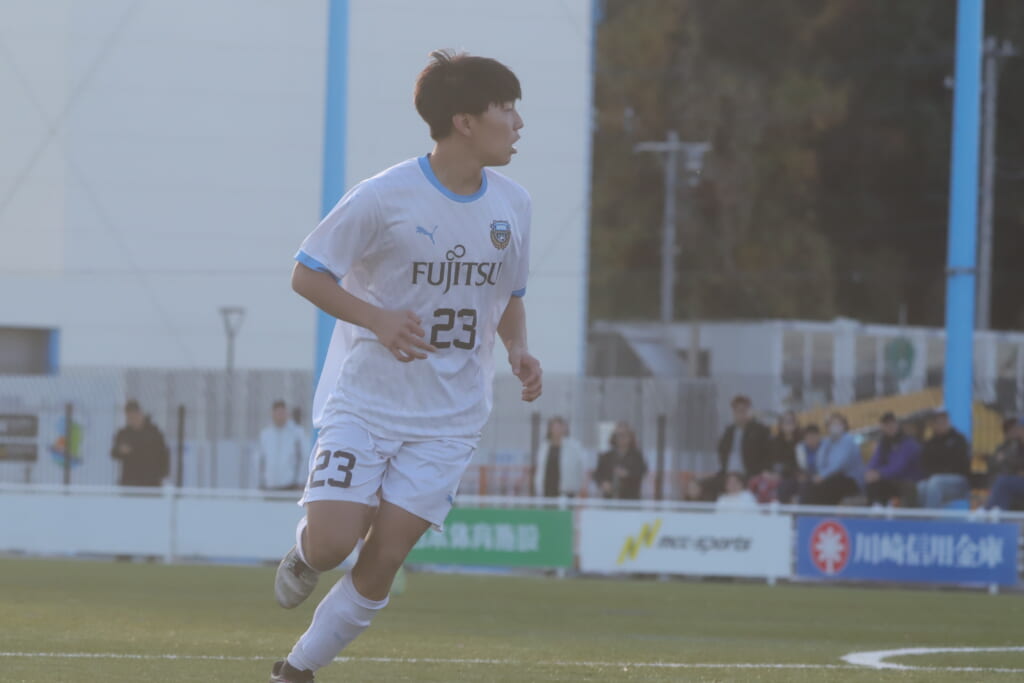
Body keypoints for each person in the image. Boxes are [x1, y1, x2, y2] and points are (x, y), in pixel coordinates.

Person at [268, 50, 541, 683]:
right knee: (334, 544)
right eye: (506, 108)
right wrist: (377, 319)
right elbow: (307, 274)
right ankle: (306, 553)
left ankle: (297, 669)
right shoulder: (383, 197)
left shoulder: (514, 204)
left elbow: (509, 296)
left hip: (450, 418)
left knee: (385, 556)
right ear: (464, 121)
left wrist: (518, 349)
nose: (518, 123)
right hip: (366, 403)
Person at [706, 395, 771, 499]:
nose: (740, 414)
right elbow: (721, 451)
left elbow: (767, 452)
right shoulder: (729, 431)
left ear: (749, 411)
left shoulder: (759, 430)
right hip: (727, 474)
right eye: (737, 411)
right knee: (702, 485)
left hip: (748, 474)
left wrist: (765, 470)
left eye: (743, 410)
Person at [802, 413, 864, 505]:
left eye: (838, 424)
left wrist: (822, 476)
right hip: (832, 478)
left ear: (844, 425)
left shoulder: (848, 440)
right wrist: (818, 476)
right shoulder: (828, 442)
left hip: (850, 480)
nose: (834, 427)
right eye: (832, 424)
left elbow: (839, 464)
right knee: (808, 485)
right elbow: (821, 462)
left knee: (827, 487)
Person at [864, 412, 922, 506]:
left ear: (897, 424)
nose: (890, 427)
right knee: (873, 483)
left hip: (908, 479)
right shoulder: (884, 444)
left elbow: (899, 466)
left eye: (892, 424)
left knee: (880, 483)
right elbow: (875, 461)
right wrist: (870, 472)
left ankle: (881, 506)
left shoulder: (908, 443)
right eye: (886, 425)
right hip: (891, 480)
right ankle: (876, 507)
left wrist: (879, 473)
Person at [916, 409, 970, 509]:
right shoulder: (930, 444)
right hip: (935, 479)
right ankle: (920, 516)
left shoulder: (958, 440)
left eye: (944, 421)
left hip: (958, 481)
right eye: (939, 421)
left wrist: (941, 471)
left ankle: (930, 516)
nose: (942, 424)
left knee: (935, 482)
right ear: (934, 425)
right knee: (921, 486)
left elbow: (961, 464)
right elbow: (925, 465)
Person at [110, 399, 170, 487]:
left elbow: (164, 454)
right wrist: (120, 450)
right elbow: (114, 452)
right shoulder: (124, 434)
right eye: (129, 418)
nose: (131, 420)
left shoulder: (154, 433)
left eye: (133, 417)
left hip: (151, 482)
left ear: (140, 414)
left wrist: (162, 475)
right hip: (130, 481)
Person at [259, 400, 309, 491]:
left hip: (290, 486)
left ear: (287, 414)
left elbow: (304, 457)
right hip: (269, 487)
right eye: (277, 413)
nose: (280, 416)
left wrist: (300, 481)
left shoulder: (296, 433)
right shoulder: (265, 435)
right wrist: (261, 481)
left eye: (282, 413)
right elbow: (261, 460)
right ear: (272, 414)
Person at [533, 416, 586, 497]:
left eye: (559, 427)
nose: (557, 430)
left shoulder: (574, 446)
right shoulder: (544, 446)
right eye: (554, 427)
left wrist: (582, 486)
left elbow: (582, 467)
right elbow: (539, 468)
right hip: (547, 490)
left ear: (564, 428)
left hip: (567, 491)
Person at [593, 421, 647, 500]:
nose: (622, 438)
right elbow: (597, 474)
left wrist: (627, 474)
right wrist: (603, 483)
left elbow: (642, 471)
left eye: (625, 435)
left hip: (630, 498)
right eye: (619, 435)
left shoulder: (636, 456)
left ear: (630, 437)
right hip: (609, 499)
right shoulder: (606, 456)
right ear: (614, 437)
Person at [984, 417, 1024, 511]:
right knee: (1001, 480)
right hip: (1013, 479)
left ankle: (991, 510)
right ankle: (993, 510)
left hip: (1015, 481)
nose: (1019, 432)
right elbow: (994, 463)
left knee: (1003, 482)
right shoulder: (1014, 445)